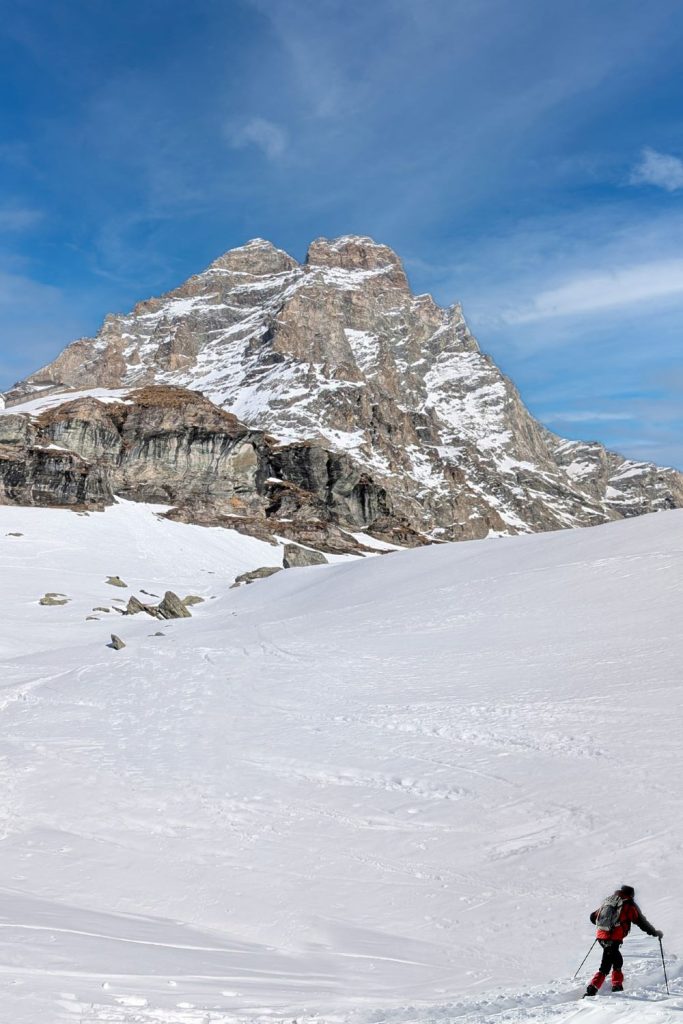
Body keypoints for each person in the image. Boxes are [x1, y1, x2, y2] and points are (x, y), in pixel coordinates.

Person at [584, 884, 663, 997]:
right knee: (605, 966)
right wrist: (654, 932)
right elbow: (641, 922)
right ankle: (591, 990)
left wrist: (606, 925)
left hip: (601, 937)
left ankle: (617, 986)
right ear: (631, 895)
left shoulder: (610, 900)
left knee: (617, 961)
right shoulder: (629, 905)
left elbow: (593, 917)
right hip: (613, 938)